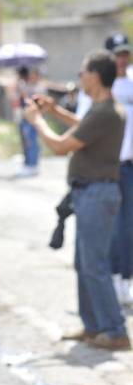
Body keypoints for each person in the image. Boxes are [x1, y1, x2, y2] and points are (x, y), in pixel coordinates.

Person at [24, 50, 130, 351]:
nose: (80, 77)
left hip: (97, 194)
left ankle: (115, 330)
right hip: (92, 193)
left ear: (95, 76)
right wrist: (55, 112)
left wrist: (36, 121)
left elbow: (60, 146)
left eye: (83, 71)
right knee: (85, 263)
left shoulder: (105, 112)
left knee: (94, 264)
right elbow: (83, 126)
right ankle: (94, 326)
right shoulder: (102, 111)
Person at [105, 34, 133, 307]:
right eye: (117, 55)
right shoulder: (102, 87)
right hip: (110, 165)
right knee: (114, 227)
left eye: (125, 54)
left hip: (130, 165)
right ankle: (113, 278)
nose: (122, 60)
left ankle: (126, 279)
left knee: (128, 227)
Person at [16, 67, 45, 177]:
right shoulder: (26, 85)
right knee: (26, 141)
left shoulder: (40, 88)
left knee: (32, 141)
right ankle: (28, 163)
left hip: (34, 118)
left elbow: (37, 103)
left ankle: (33, 164)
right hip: (26, 117)